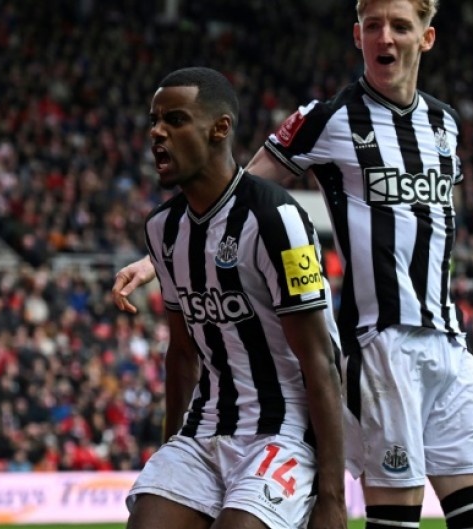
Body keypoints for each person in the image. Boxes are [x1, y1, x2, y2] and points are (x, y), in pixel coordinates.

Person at [114, 2, 473, 528]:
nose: (383, 37)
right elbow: (234, 194)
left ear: (426, 38)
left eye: (399, 26)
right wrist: (158, 261)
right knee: (397, 518)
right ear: (357, 36)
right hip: (380, 342)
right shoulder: (328, 118)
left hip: (448, 342)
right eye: (372, 26)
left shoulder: (445, 124)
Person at [124, 67, 346, 529]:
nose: (157, 133)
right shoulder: (162, 230)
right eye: (154, 120)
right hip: (206, 428)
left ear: (219, 128)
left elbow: (321, 362)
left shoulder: (276, 219)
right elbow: (182, 351)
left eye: (176, 120)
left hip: (282, 433)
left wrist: (332, 498)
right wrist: (171, 456)